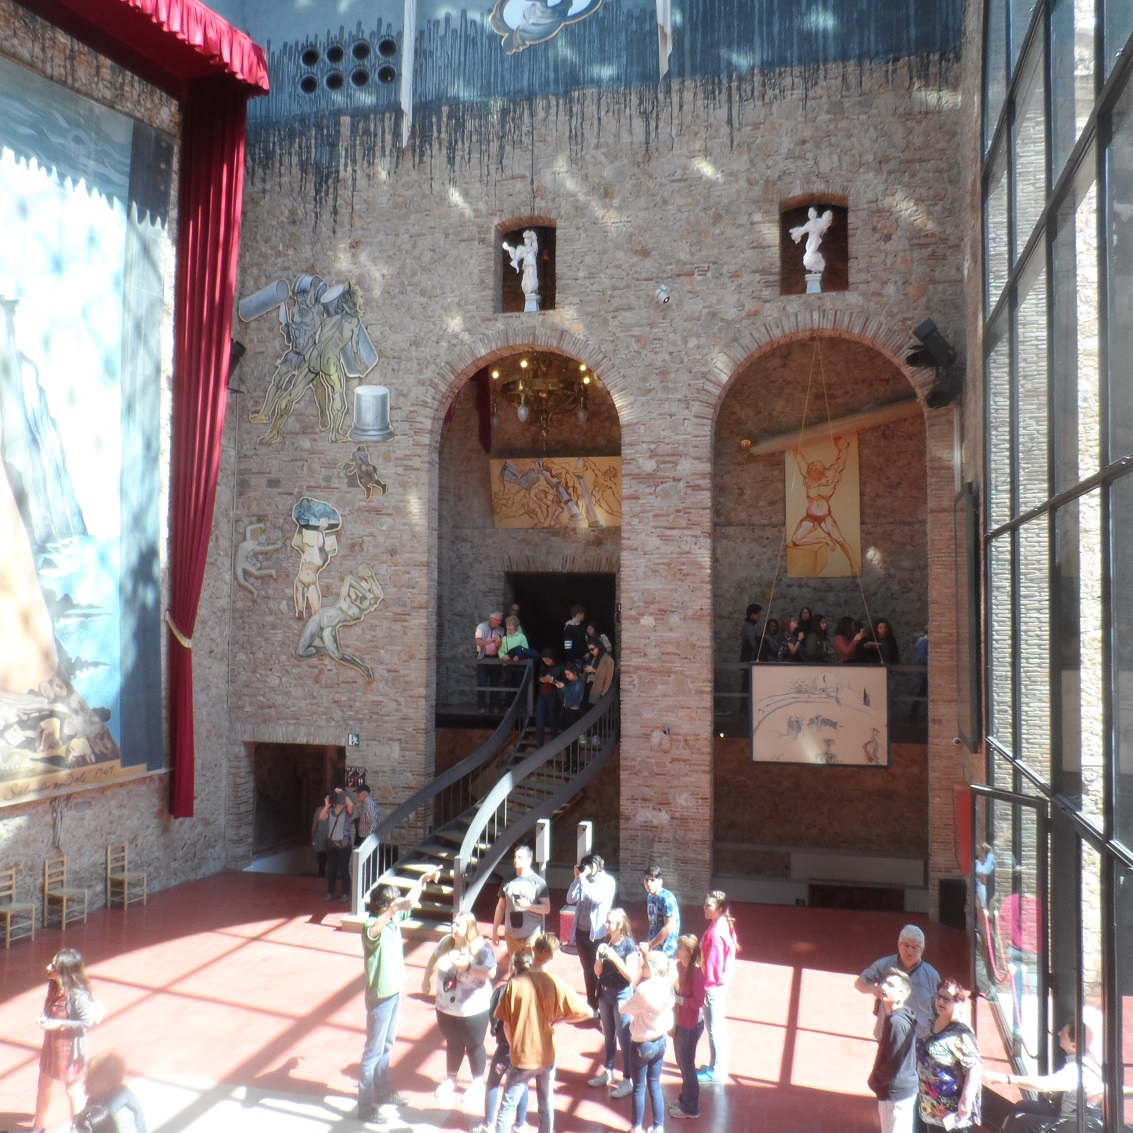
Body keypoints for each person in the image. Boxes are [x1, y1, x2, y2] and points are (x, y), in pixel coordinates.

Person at [356, 866, 444, 1122]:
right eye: (393, 902)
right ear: (384, 906)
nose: (399, 904)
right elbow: (374, 930)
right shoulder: (372, 926)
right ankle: (365, 1107)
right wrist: (392, 910)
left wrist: (423, 880)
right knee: (372, 1052)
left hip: (394, 991)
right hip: (380, 996)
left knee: (386, 1045)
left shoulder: (393, 920)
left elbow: (410, 900)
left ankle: (383, 1092)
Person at [492, 947, 593, 1133]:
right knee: (546, 1104)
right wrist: (561, 1019)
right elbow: (587, 1011)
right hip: (546, 1056)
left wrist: (514, 1047)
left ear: (514, 967)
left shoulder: (513, 986)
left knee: (507, 1106)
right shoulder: (552, 982)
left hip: (523, 1056)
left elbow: (506, 1025)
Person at [421, 911, 497, 1106]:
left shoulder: (480, 948)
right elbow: (433, 958)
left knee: (474, 1044)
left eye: (458, 925)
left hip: (472, 1008)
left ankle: (477, 1082)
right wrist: (426, 978)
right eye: (453, 923)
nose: (453, 928)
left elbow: (491, 971)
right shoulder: (446, 942)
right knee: (453, 1042)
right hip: (446, 1006)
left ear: (469, 928)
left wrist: (468, 968)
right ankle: (451, 1079)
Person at [985, 1009, 1103, 1133]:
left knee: (1022, 1122)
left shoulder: (1076, 1070)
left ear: (1074, 1046)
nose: (1059, 1034)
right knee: (1023, 1106)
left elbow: (1043, 1085)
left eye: (1063, 1034)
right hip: (1071, 1117)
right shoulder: (1087, 1057)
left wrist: (1007, 1079)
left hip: (1074, 1125)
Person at [32, 949, 104, 1132]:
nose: (49, 967)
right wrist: (45, 1019)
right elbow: (50, 1009)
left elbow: (87, 1021)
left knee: (72, 1089)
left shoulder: (77, 994)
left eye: (54, 965)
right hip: (51, 1044)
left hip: (70, 1048)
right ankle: (37, 1126)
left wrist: (61, 1024)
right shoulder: (54, 986)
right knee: (43, 1085)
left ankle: (78, 1129)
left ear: (64, 971)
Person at [474, 953, 533, 1133]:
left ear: (512, 967)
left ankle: (488, 1123)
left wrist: (496, 1030)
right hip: (524, 1048)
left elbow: (494, 1016)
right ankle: (520, 1124)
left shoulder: (502, 991)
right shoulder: (534, 992)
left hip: (505, 1048)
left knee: (493, 1082)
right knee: (521, 1084)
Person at [588, 907, 640, 1098]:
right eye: (606, 921)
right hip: (605, 993)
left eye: (610, 922)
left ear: (620, 925)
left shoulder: (629, 946)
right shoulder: (606, 941)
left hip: (621, 995)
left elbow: (630, 975)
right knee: (608, 1035)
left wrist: (614, 957)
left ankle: (628, 1079)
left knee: (624, 1037)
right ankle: (608, 1070)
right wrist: (599, 958)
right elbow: (597, 972)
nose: (606, 925)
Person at [917, 979, 981, 1131]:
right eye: (939, 996)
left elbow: (974, 1067)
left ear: (958, 1002)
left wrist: (965, 1100)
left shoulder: (961, 1033)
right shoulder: (933, 1022)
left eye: (946, 998)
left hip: (952, 1112)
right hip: (931, 1107)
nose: (940, 1001)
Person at [623, 950, 676, 1133]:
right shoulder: (668, 985)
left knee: (639, 1086)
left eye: (644, 964)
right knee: (654, 1083)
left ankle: (636, 1126)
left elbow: (625, 1008)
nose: (642, 966)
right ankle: (658, 1126)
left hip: (642, 1043)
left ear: (651, 968)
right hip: (660, 1041)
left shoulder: (644, 990)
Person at [856, 925, 942, 1038]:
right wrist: (874, 990)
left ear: (922, 950)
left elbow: (940, 1008)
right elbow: (859, 983)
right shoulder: (885, 965)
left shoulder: (931, 975)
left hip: (918, 1037)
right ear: (898, 945)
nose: (909, 951)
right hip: (888, 1033)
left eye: (915, 947)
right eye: (906, 945)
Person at [867, 969, 917, 1133]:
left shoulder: (896, 1022)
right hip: (902, 1090)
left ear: (902, 995)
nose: (884, 987)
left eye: (890, 985)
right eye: (884, 983)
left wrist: (875, 1082)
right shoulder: (900, 1016)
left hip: (894, 1095)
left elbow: (892, 1062)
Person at [566, 853, 617, 1012]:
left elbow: (596, 897)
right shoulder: (583, 880)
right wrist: (576, 879)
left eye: (587, 867)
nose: (584, 871)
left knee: (600, 970)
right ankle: (591, 1003)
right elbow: (570, 899)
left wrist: (583, 880)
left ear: (595, 867)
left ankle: (603, 1003)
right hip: (582, 932)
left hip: (598, 935)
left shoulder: (607, 881)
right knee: (587, 970)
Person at [698, 889, 738, 1084]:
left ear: (720, 909)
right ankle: (714, 1064)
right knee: (716, 1026)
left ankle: (717, 1069)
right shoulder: (721, 925)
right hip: (719, 985)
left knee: (714, 1028)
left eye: (709, 905)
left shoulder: (715, 934)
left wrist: (704, 988)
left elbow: (713, 967)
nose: (704, 908)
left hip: (713, 987)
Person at [493, 845, 551, 961]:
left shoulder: (538, 882)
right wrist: (495, 931)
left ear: (529, 860)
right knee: (515, 967)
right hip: (511, 936)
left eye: (519, 857)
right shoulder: (507, 880)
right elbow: (500, 907)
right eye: (515, 857)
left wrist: (528, 906)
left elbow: (546, 908)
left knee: (532, 968)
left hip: (532, 936)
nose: (516, 860)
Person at [671, 934, 706, 1120]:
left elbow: (698, 1002)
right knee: (682, 1063)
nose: (677, 950)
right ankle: (685, 1099)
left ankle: (691, 1108)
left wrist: (679, 1000)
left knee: (687, 1066)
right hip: (680, 1022)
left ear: (690, 952)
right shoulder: (679, 967)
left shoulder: (697, 973)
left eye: (681, 948)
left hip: (690, 1025)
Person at [79, 1050, 147, 1133]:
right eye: (87, 1077)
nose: (85, 1082)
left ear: (108, 1084)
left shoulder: (121, 1114)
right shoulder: (97, 1099)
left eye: (91, 1079)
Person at [320, 787, 354, 902]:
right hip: (332, 845)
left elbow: (350, 805)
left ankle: (346, 893)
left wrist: (343, 793)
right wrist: (327, 805)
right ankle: (331, 892)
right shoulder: (330, 811)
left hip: (344, 846)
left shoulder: (347, 812)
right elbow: (321, 817)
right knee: (331, 869)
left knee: (343, 869)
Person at [642, 865, 681, 958]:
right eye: (646, 880)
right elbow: (653, 923)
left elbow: (669, 927)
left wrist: (650, 945)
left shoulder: (667, 899)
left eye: (652, 880)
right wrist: (649, 942)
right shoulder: (650, 896)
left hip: (666, 948)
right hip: (654, 945)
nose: (648, 884)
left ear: (660, 882)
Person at [475, 611, 504, 712]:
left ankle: (494, 706)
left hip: (495, 657)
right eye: (498, 620)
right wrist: (491, 641)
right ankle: (481, 706)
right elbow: (479, 642)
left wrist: (498, 643)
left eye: (500, 620)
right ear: (492, 619)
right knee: (482, 682)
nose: (499, 622)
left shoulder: (501, 630)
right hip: (483, 657)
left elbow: (500, 646)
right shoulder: (481, 627)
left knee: (495, 682)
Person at [534, 649, 562, 748]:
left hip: (553, 695)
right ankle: (539, 746)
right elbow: (539, 678)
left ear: (552, 658)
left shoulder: (560, 667)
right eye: (545, 661)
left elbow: (561, 681)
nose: (546, 663)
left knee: (553, 720)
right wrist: (541, 680)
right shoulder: (543, 667)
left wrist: (551, 680)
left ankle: (554, 746)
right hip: (543, 695)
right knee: (539, 720)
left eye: (548, 660)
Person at [583, 640, 615, 706]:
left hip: (598, 689)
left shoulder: (608, 660)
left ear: (598, 647)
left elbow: (608, 679)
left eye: (592, 649)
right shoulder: (591, 657)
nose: (591, 651)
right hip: (588, 686)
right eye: (589, 650)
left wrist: (603, 694)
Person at [311, 801, 329, 878]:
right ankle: (321, 873)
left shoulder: (332, 810)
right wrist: (313, 836)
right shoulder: (319, 810)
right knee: (321, 855)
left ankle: (322, 872)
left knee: (323, 855)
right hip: (321, 835)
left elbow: (315, 823)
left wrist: (313, 835)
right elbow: (315, 823)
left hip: (327, 835)